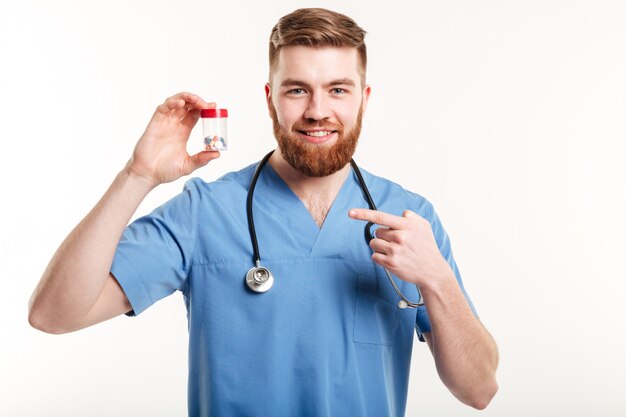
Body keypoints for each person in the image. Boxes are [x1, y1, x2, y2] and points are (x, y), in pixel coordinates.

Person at [28, 7, 498, 416]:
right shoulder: (205, 213)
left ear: (363, 98)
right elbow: (54, 315)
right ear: (270, 97)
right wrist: (138, 175)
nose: (318, 111)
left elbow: (478, 390)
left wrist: (437, 280)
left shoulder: (409, 217)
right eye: (297, 90)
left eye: (338, 89)